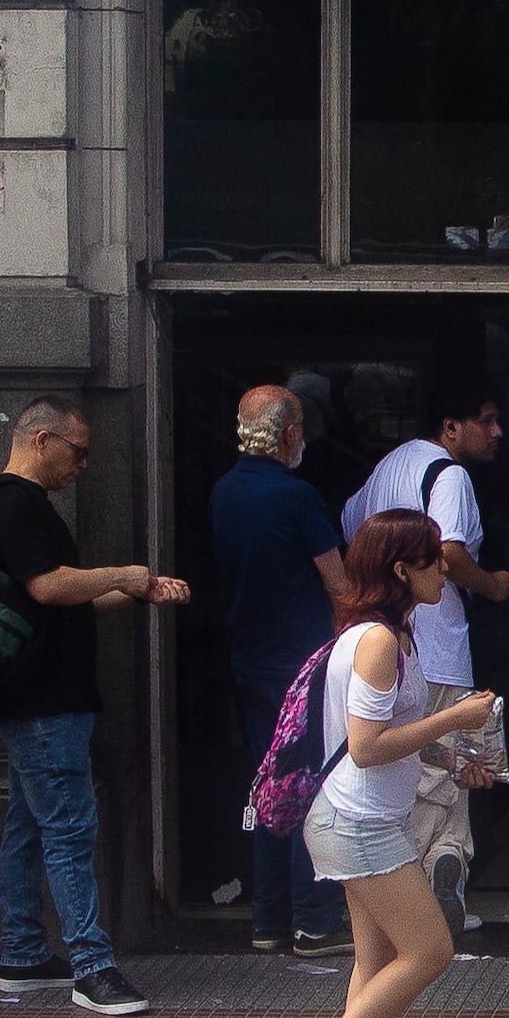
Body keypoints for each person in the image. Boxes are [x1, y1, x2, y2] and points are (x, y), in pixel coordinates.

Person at [274, 510, 505, 1018]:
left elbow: (386, 745)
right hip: (359, 824)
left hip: (366, 819)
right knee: (430, 951)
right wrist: (453, 718)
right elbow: (368, 746)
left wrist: (454, 759)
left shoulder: (391, 636)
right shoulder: (377, 642)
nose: (443, 569)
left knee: (374, 962)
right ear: (401, 570)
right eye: (432, 560)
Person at [0, 400, 187, 1015]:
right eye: (78, 451)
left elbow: (61, 603)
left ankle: (24, 953)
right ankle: (92, 966)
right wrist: (125, 571)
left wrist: (132, 593)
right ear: (42, 440)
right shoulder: (15, 503)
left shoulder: (11, 505)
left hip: (34, 693)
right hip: (45, 699)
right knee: (66, 827)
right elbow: (49, 585)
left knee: (30, 823)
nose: (83, 464)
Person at [354, 382, 509, 936]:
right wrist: (491, 585)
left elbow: (354, 532)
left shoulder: (387, 469)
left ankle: (443, 880)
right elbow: (449, 549)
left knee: (425, 772)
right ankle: (434, 885)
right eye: (486, 419)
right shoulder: (450, 475)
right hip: (439, 648)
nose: (497, 433)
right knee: (442, 778)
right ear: (451, 427)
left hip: (389, 640)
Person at [210, 383, 352, 956]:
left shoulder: (222, 493)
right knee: (313, 784)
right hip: (305, 664)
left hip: (250, 659)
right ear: (290, 435)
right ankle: (314, 920)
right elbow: (338, 584)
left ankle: (267, 918)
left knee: (267, 781)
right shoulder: (299, 498)